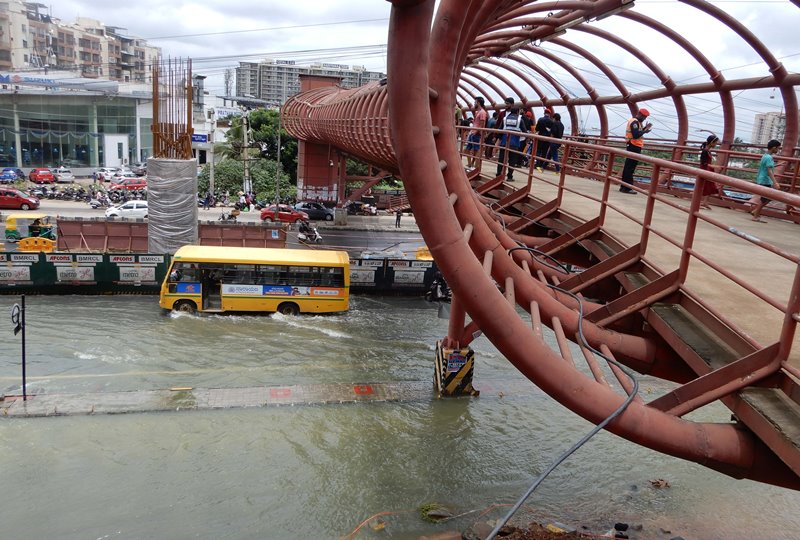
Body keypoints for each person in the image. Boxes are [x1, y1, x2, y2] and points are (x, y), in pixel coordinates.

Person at [620, 108, 653, 194]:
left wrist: (645, 129)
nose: (645, 119)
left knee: (629, 166)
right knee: (630, 167)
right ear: (640, 114)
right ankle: (626, 187)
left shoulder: (637, 122)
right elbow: (635, 135)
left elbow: (638, 132)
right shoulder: (634, 122)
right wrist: (644, 131)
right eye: (644, 117)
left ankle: (624, 186)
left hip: (633, 145)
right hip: (633, 145)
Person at [750, 139, 781, 223]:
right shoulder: (769, 157)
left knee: (766, 198)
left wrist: (777, 165)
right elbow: (769, 170)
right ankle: (755, 215)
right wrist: (775, 182)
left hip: (762, 179)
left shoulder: (765, 156)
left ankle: (755, 212)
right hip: (765, 180)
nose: (778, 150)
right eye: (778, 148)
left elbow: (767, 167)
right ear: (774, 148)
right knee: (765, 199)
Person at [496, 106, 527, 182]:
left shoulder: (505, 119)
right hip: (514, 143)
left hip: (504, 141)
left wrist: (499, 140)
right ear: (518, 112)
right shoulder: (520, 120)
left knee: (502, 158)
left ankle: (498, 174)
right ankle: (509, 176)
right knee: (512, 160)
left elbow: (499, 130)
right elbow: (525, 131)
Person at [698, 135, 721, 210]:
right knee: (705, 186)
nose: (716, 144)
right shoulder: (705, 151)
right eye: (715, 143)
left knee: (710, 186)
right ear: (712, 142)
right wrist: (714, 167)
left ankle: (705, 202)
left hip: (708, 169)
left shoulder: (708, 151)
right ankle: (700, 202)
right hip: (705, 170)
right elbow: (703, 163)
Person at [466, 97, 487, 169]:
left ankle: (474, 166)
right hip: (473, 132)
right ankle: (470, 164)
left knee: (475, 149)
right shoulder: (478, 112)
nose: (474, 103)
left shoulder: (482, 112)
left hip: (476, 133)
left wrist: (476, 131)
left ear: (478, 103)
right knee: (469, 149)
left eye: (475, 102)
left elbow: (482, 123)